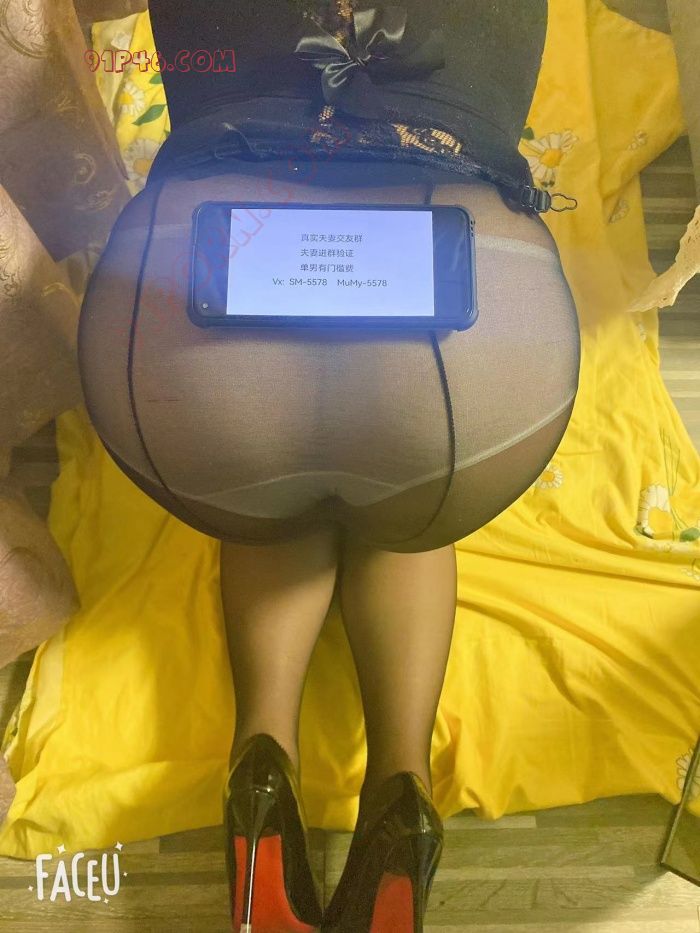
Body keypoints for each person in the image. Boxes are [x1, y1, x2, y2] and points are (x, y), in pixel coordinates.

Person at [77, 1, 581, 930]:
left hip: (195, 333)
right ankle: (402, 790)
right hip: (458, 370)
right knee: (402, 519)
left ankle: (261, 759)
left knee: (264, 498)